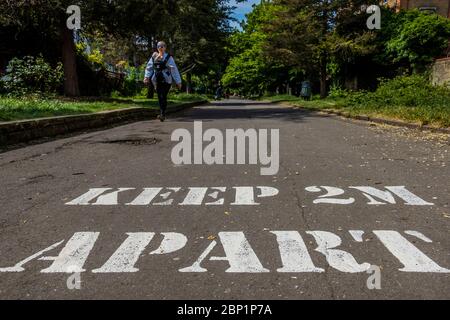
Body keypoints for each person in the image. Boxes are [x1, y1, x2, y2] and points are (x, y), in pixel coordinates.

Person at [144, 41, 182, 122]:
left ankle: (162, 114)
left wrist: (178, 81)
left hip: (166, 80)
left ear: (165, 47)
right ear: (157, 48)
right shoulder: (154, 57)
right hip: (157, 80)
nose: (160, 48)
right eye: (159, 46)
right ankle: (162, 114)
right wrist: (146, 77)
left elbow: (174, 70)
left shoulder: (169, 57)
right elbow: (149, 67)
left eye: (162, 46)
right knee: (160, 97)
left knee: (163, 96)